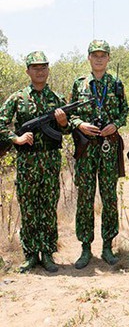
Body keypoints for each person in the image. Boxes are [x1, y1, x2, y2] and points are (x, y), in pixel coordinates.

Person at [0, 51, 69, 273]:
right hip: (27, 160)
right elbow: (1, 123)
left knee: (48, 207)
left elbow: (67, 130)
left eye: (43, 67)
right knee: (29, 207)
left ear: (48, 70)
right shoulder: (17, 98)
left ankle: (48, 253)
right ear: (28, 71)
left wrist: (63, 121)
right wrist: (15, 138)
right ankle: (30, 255)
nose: (40, 71)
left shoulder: (57, 99)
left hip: (49, 160)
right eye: (35, 68)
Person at [69, 39, 129, 269]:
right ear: (89, 58)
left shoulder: (115, 84)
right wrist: (80, 124)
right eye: (95, 55)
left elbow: (124, 111)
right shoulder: (80, 84)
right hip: (86, 148)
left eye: (103, 55)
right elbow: (70, 113)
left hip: (108, 146)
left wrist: (116, 124)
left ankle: (107, 246)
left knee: (109, 197)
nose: (99, 58)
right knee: (85, 198)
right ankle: (85, 248)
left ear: (108, 58)